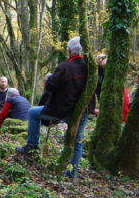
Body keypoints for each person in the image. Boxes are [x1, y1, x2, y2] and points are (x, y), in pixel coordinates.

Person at [16, 36, 94, 178]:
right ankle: (72, 173)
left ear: (69, 51)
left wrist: (48, 78)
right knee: (77, 142)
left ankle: (32, 145)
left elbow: (51, 86)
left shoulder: (65, 67)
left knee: (33, 112)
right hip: (82, 111)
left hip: (61, 110)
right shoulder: (90, 68)